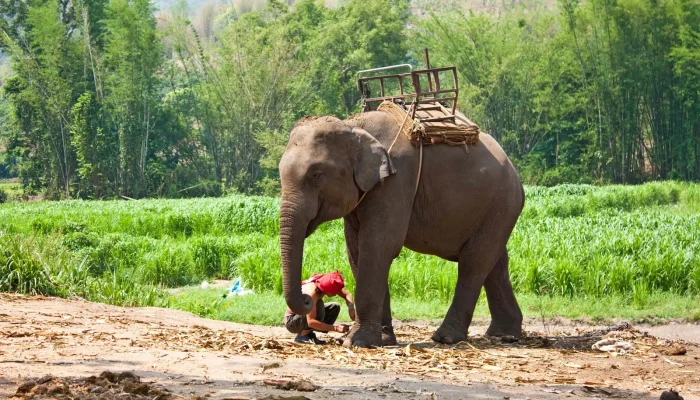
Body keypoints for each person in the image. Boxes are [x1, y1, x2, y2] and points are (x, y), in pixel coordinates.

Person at [284, 270, 356, 344]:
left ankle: (310, 331)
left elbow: (347, 295)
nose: (335, 294)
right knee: (319, 305)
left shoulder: (324, 285)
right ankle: (303, 336)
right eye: (334, 292)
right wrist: (335, 328)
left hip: (302, 316)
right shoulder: (312, 294)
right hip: (292, 322)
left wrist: (351, 308)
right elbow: (311, 322)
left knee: (334, 307)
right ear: (328, 289)